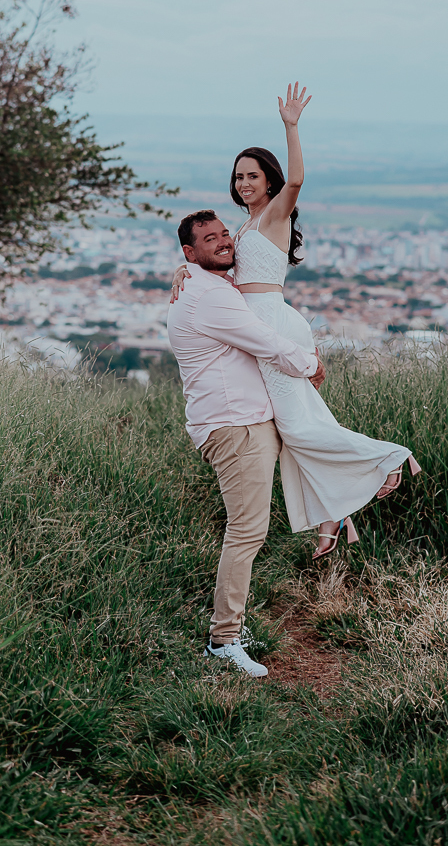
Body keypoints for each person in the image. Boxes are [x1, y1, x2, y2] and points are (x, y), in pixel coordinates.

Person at [171, 83, 421, 559]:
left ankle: (388, 457)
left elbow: (299, 181)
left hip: (271, 324)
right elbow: (218, 261)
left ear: (269, 181)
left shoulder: (273, 216)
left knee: (299, 428)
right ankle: (334, 515)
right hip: (266, 325)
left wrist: (291, 126)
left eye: (253, 176)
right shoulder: (242, 226)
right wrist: (183, 268)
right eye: (239, 176)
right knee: (296, 425)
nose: (245, 183)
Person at [167, 209, 325, 677]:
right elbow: (264, 341)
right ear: (189, 253)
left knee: (249, 529)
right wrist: (310, 362)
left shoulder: (207, 283)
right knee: (246, 532)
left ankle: (231, 628)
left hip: (244, 422)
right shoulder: (207, 297)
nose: (221, 242)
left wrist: (184, 270)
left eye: (223, 234)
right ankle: (223, 640)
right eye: (208, 239)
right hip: (235, 428)